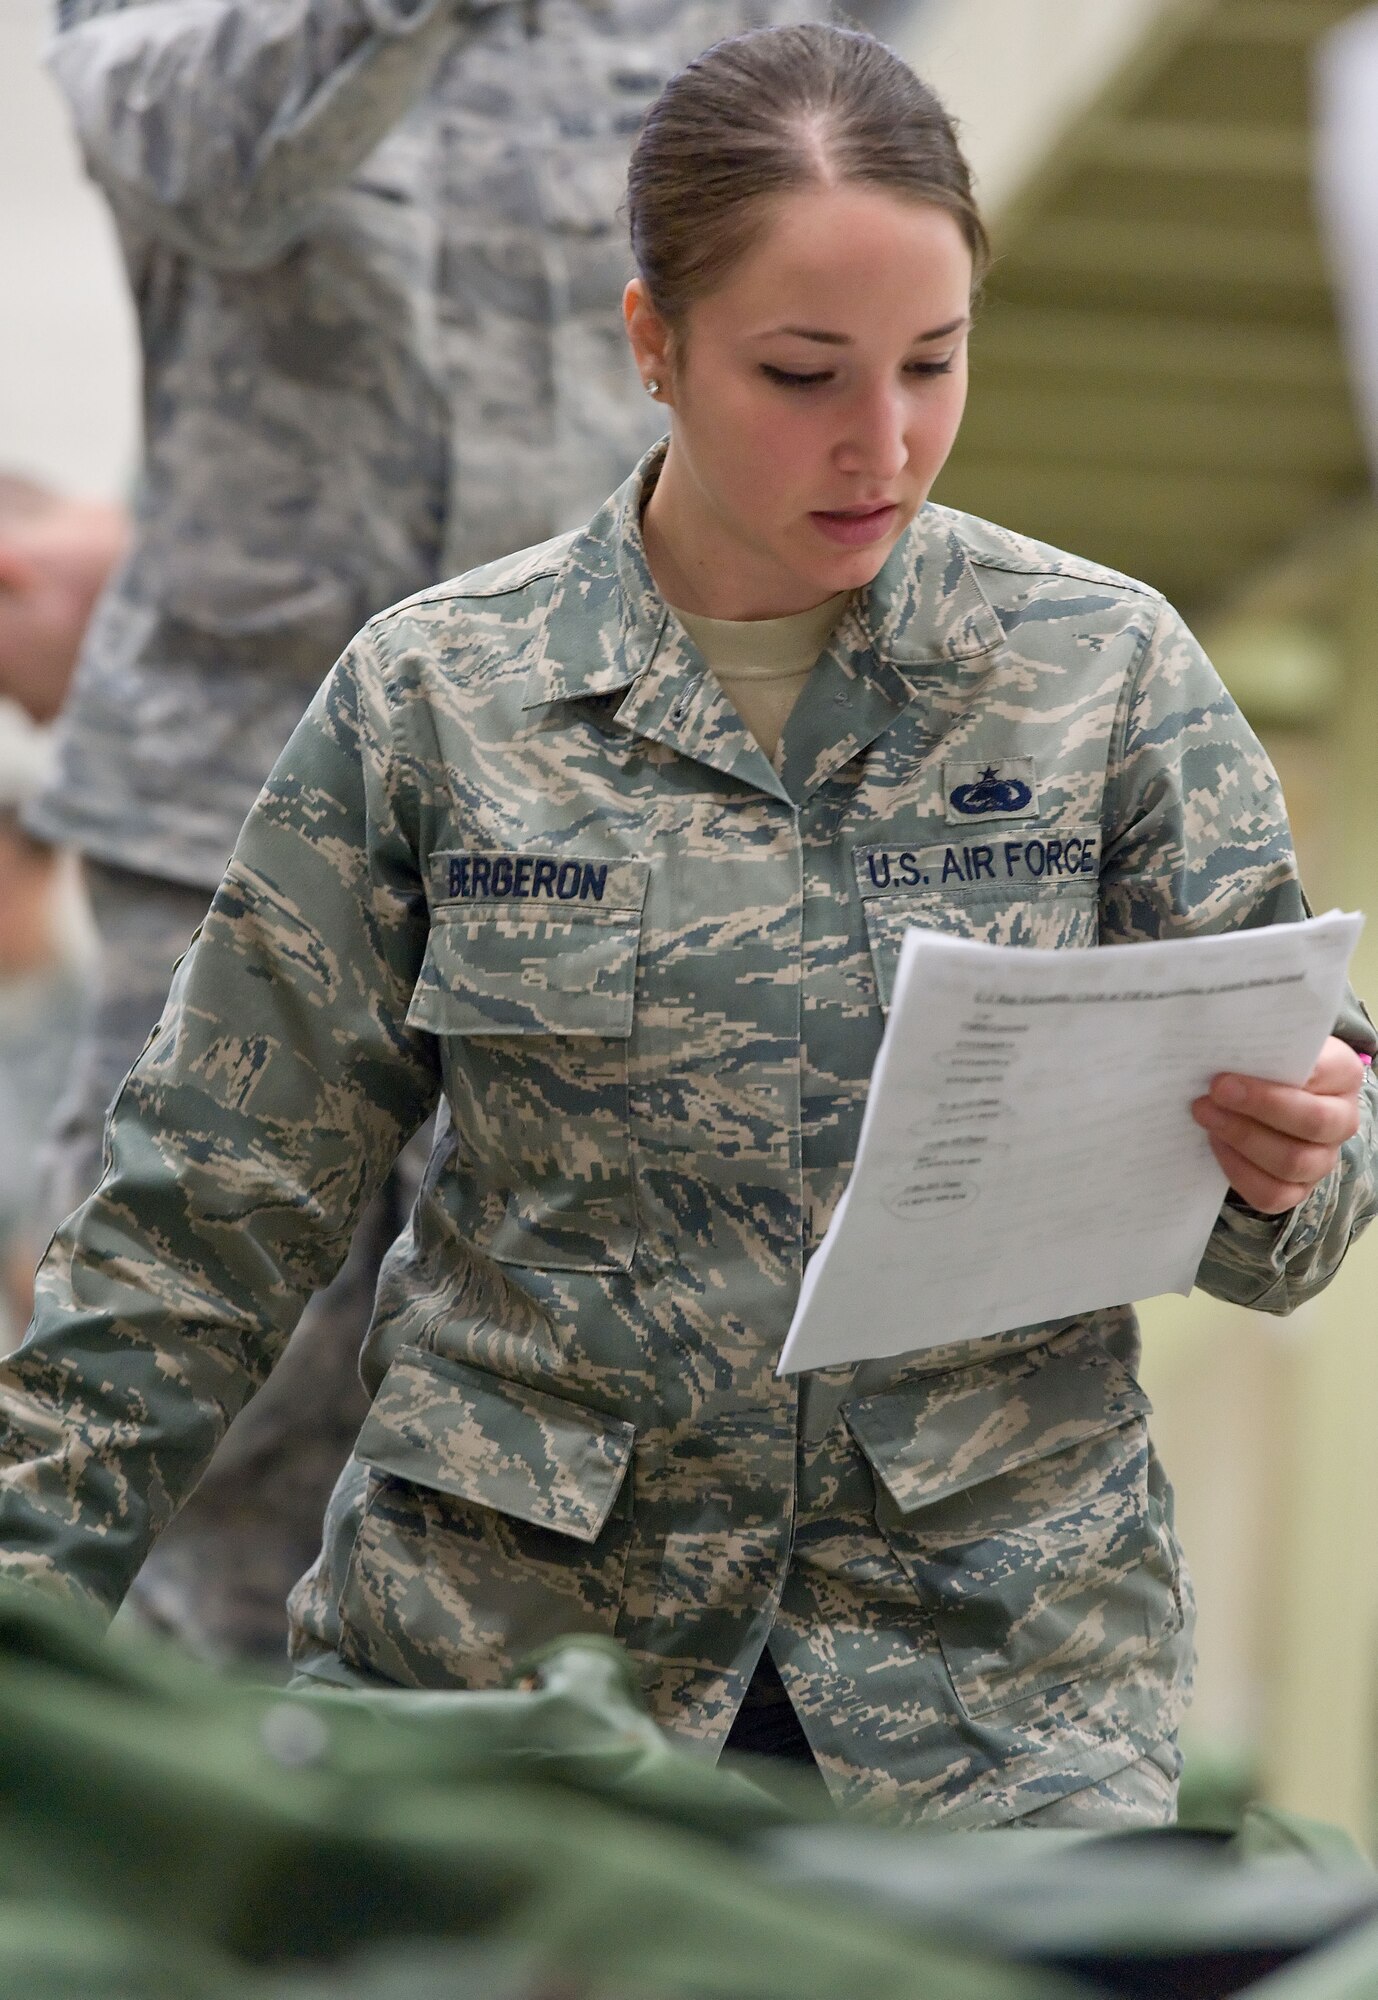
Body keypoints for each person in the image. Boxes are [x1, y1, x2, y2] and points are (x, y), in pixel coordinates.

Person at [1, 23, 1374, 1826]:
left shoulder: (1102, 681)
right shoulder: (437, 697)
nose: (878, 443)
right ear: (651, 343)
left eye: (931, 364)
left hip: (990, 1694)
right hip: (514, 1684)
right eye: (801, 372)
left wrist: (1296, 1166)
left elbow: (1296, 1205)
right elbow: (199, 1229)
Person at [26, 0, 792, 1666]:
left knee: (545, 1394)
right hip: (236, 787)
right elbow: (197, 168)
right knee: (188, 1386)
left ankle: (445, 1857)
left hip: (584, 805)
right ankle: (167, 1825)